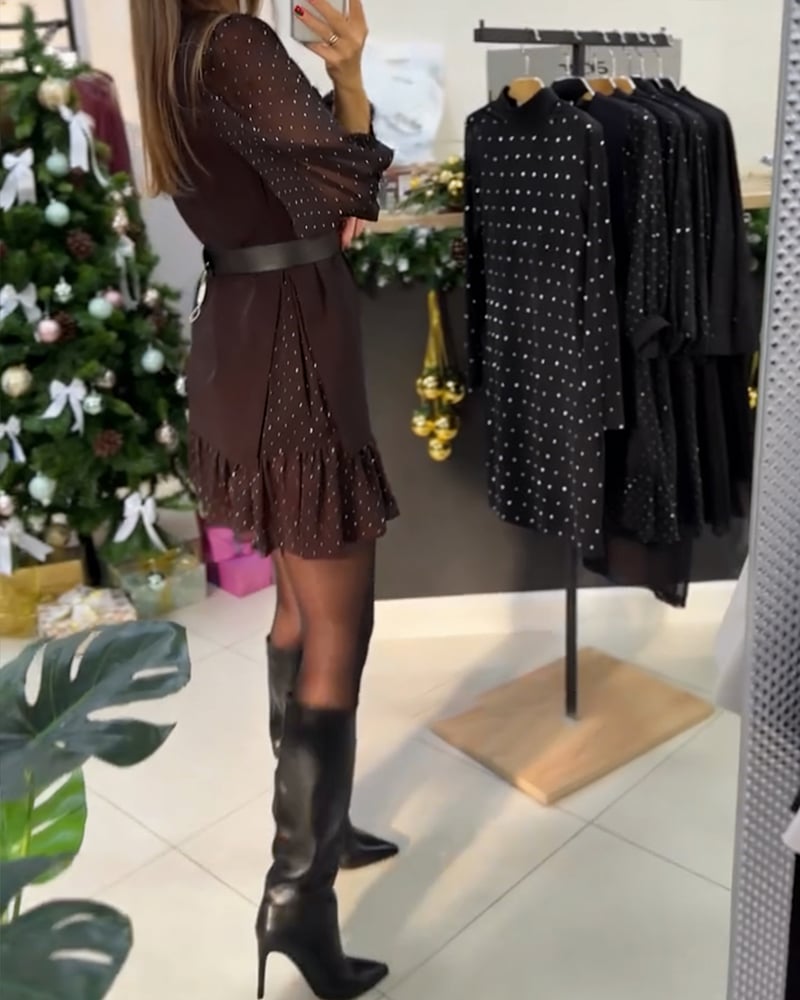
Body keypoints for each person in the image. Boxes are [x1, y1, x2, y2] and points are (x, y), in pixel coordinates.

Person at [129, 1, 398, 996]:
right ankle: (297, 897)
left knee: (296, 601)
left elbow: (321, 187)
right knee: (338, 627)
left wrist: (340, 114)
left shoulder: (176, 50)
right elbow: (350, 185)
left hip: (244, 337)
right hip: (293, 352)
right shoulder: (237, 43)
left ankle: (325, 830)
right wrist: (353, 74)